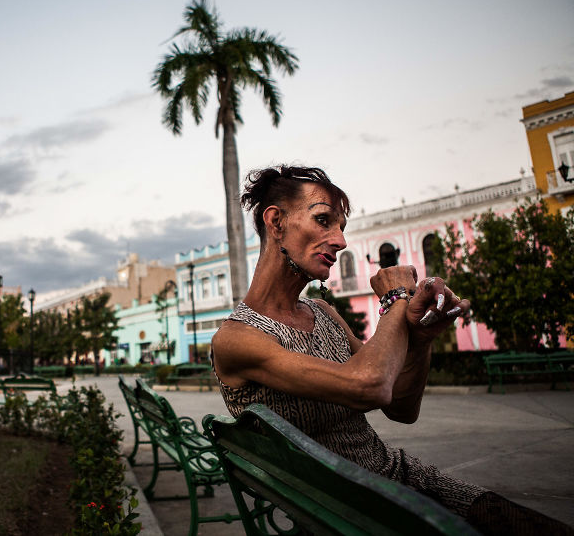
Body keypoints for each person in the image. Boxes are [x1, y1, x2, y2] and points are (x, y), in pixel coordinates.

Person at [211, 165, 573, 535]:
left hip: (393, 482)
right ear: (276, 223)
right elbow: (370, 385)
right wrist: (396, 299)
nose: (340, 241)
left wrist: (420, 337)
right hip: (357, 510)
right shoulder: (238, 338)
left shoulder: (323, 313)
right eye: (323, 220)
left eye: (341, 228)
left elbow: (400, 407)